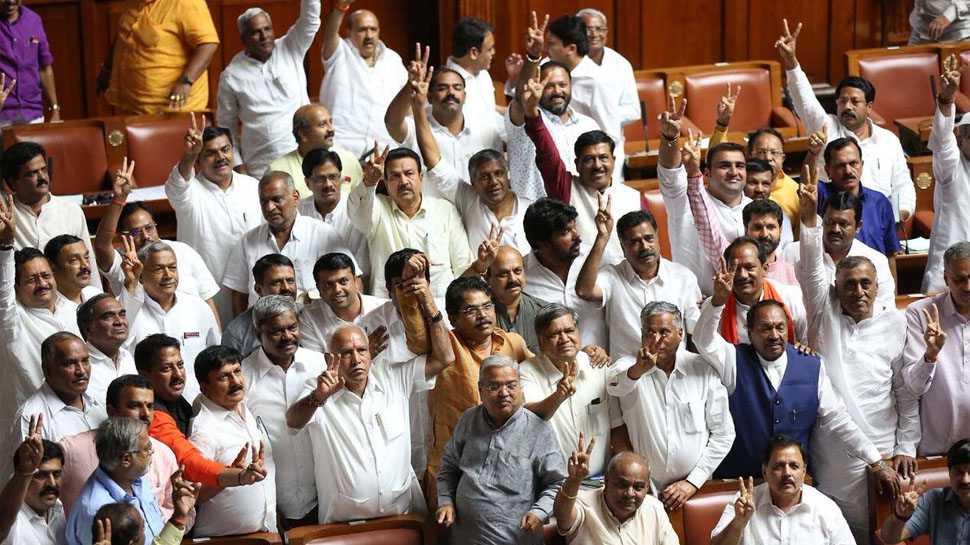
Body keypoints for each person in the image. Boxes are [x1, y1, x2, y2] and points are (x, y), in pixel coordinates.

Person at [797, 168, 917, 541]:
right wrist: (808, 220)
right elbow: (812, 271)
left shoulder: (894, 324)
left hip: (884, 449)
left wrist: (905, 445)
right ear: (836, 286)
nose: (859, 291)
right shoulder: (823, 309)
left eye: (866, 284)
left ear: (879, 285)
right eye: (850, 284)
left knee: (887, 535)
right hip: (834, 454)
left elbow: (906, 394)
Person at [694, 272, 894, 484]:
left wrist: (876, 461)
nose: (774, 335)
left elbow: (838, 420)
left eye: (779, 327)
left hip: (792, 486)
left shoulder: (811, 365)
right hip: (739, 482)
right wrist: (717, 303)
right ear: (750, 332)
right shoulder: (733, 359)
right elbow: (703, 339)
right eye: (765, 328)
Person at [287, 319, 454, 523]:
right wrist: (318, 398)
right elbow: (293, 422)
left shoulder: (392, 376)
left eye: (362, 350)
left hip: (402, 516)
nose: (356, 359)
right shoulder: (318, 389)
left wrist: (431, 311)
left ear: (371, 352)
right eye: (346, 353)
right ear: (330, 358)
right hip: (343, 525)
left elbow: (445, 357)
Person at [777, 19, 915, 220]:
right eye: (842, 101)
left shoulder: (888, 140)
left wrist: (896, 217)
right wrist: (791, 61)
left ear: (869, 107)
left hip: (877, 221)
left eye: (854, 101)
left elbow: (903, 184)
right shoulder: (826, 125)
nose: (847, 106)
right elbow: (804, 100)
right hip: (834, 221)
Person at [607, 302, 734, 505]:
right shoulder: (626, 366)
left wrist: (693, 482)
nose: (657, 340)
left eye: (664, 332)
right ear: (641, 334)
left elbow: (724, 433)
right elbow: (615, 386)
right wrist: (638, 370)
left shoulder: (702, 370)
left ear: (680, 333)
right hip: (643, 492)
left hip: (694, 490)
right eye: (650, 332)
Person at [436, 354, 567, 544]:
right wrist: (445, 501)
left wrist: (539, 512)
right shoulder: (468, 419)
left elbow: (557, 482)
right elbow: (449, 467)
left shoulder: (539, 429)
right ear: (480, 389)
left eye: (512, 385)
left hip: (516, 539)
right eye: (494, 386)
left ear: (521, 387)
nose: (504, 393)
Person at [425, 275, 533, 505]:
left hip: (507, 467)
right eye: (471, 310)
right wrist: (424, 294)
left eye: (487, 306)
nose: (483, 315)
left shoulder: (512, 342)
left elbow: (544, 369)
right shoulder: (443, 346)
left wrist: (587, 352)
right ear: (453, 318)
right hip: (455, 470)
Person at [409, 62, 532, 254]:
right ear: (472, 183)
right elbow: (433, 160)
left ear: (508, 174)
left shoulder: (529, 208)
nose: (493, 182)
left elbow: (520, 110)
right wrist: (418, 110)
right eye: (484, 177)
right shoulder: (469, 200)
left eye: (499, 173)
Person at [521, 74, 640, 263]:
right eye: (589, 160)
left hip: (625, 282)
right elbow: (547, 154)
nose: (597, 166)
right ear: (577, 164)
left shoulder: (634, 197)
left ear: (614, 160)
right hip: (577, 282)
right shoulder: (565, 188)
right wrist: (531, 113)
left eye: (603, 158)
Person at [0, 194, 82, 456]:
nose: (43, 284)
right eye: (32, 279)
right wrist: (5, 246)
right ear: (16, 286)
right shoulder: (12, 320)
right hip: (33, 426)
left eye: (46, 275)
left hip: (81, 416)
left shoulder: (76, 309)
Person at [134, 335, 264, 492]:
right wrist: (237, 475)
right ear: (145, 375)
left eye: (180, 365)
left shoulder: (184, 402)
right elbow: (188, 462)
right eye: (166, 369)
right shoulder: (153, 415)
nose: (177, 375)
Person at [241, 295, 328, 527]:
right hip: (276, 503)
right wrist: (267, 504)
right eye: (277, 331)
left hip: (327, 496)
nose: (288, 336)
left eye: (293, 327)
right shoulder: (243, 378)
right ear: (259, 335)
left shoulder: (320, 365)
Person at [165, 116, 262, 322]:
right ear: (198, 160)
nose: (220, 157)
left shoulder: (253, 187)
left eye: (225, 150)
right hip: (209, 295)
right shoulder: (190, 193)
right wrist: (189, 155)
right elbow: (177, 185)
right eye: (210, 153)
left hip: (252, 289)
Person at [346, 146, 474, 297]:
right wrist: (370, 181)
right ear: (385, 183)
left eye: (409, 174)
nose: (403, 181)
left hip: (440, 305)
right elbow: (356, 208)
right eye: (395, 176)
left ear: (421, 177)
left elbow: (462, 264)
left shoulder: (445, 210)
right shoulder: (376, 208)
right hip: (390, 308)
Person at [94, 162, 219, 316]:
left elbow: (208, 303)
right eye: (135, 232)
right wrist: (119, 200)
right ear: (122, 236)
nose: (146, 236)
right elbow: (101, 246)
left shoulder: (184, 251)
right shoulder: (123, 262)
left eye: (149, 228)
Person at [576, 206, 701, 359]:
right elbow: (584, 291)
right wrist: (602, 238)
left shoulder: (683, 277)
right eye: (635, 242)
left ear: (657, 237)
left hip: (675, 373)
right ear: (623, 247)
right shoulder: (612, 275)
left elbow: (696, 334)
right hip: (627, 375)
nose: (644, 247)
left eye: (649, 238)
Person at [217, 0, 321, 177]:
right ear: (244, 39)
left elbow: (311, 19)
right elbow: (226, 125)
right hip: (261, 164)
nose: (264, 35)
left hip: (305, 156)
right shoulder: (231, 76)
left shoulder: (290, 47)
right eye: (256, 32)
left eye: (267, 29)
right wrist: (238, 164)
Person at [656, 98, 750, 294]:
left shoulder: (756, 209)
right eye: (724, 165)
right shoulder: (685, 202)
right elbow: (670, 175)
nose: (734, 171)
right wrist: (670, 138)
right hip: (695, 307)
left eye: (740, 166)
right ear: (706, 174)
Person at [57, 375, 179, 521]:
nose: (145, 414)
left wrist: (153, 521)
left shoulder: (163, 453)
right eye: (135, 406)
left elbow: (180, 510)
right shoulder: (72, 450)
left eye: (150, 406)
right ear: (112, 411)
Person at [519, 304, 622, 476]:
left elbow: (616, 425)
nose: (564, 339)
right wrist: (559, 395)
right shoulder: (527, 371)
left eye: (569, 331)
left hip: (599, 480)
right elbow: (529, 418)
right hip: (553, 485)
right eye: (554, 334)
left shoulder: (597, 365)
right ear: (540, 341)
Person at [222, 171, 347, 312]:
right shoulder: (248, 241)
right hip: (261, 329)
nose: (269, 208)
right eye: (264, 202)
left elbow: (351, 282)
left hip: (313, 329)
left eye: (277, 199)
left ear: (295, 197)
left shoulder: (324, 235)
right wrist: (244, 331)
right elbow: (239, 295)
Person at [682, 130, 797, 283]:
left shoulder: (789, 275)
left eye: (771, 227)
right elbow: (710, 232)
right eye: (757, 228)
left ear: (780, 230)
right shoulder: (737, 273)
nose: (764, 235)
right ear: (746, 229)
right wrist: (694, 175)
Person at [507, 16, 600, 201]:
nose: (557, 91)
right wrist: (533, 55)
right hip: (532, 216)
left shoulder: (588, 125)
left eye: (563, 85)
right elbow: (520, 97)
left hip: (574, 217)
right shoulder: (525, 118)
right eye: (549, 85)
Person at [188, 346, 275, 536]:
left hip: (264, 532)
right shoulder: (203, 431)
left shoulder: (242, 405)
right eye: (223, 377)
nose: (235, 382)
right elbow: (192, 494)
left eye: (237, 371)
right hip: (223, 539)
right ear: (204, 387)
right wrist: (233, 478)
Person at [387, 52, 503, 192]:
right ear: (429, 97)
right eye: (442, 88)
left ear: (465, 96)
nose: (451, 93)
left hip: (476, 208)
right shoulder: (416, 126)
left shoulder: (485, 127)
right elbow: (392, 122)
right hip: (432, 211)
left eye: (457, 88)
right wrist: (411, 85)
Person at [120, 241, 220, 402]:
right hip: (148, 407)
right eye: (158, 269)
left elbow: (216, 359)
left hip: (198, 403)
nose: (168, 275)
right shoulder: (126, 307)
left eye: (172, 267)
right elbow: (116, 346)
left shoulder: (198, 307)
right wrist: (131, 285)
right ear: (141, 275)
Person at [710, 435, 855, 545]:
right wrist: (739, 522)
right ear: (765, 471)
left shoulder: (826, 508)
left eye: (794, 466)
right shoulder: (743, 503)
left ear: (804, 472)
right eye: (779, 466)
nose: (787, 473)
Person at [1, 143, 100, 289]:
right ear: (14, 182)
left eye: (43, 170)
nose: (42, 177)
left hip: (66, 297)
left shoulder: (71, 211)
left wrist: (96, 298)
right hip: (22, 300)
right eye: (32, 173)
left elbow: (87, 259)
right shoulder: (5, 213)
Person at [903, 242, 970, 455]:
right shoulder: (920, 314)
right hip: (937, 448)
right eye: (960, 279)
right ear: (946, 279)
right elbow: (913, 387)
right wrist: (930, 355)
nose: (968, 287)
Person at [778, 188, 896, 308]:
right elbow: (779, 298)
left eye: (844, 224)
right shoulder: (793, 253)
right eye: (830, 222)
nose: (835, 229)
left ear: (858, 226)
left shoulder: (876, 261)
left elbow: (885, 309)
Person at [97, 0, 217, 114]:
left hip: (172, 109)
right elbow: (124, 36)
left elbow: (207, 44)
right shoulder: (133, 2)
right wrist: (107, 70)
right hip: (132, 105)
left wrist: (186, 81)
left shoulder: (186, 3)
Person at [319, 0, 406, 156]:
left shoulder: (393, 60)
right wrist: (340, 8)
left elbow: (407, 105)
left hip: (386, 146)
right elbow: (330, 33)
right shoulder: (338, 53)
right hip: (343, 147)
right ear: (349, 32)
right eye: (362, 30)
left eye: (373, 29)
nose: (369, 36)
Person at [64, 417, 165, 545]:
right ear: (126, 460)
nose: (152, 451)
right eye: (148, 448)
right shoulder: (96, 510)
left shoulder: (135, 477)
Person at [522, 198, 608, 348]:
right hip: (551, 369)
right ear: (542, 243)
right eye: (566, 232)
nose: (577, 235)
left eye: (574, 227)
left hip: (604, 366)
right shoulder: (520, 275)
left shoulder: (601, 258)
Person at [554, 446, 678, 545]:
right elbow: (563, 516)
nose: (629, 494)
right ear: (606, 481)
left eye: (638, 487)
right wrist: (574, 480)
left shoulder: (654, 508)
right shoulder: (584, 502)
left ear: (647, 487)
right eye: (622, 484)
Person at [12, 332, 107, 445]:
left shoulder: (100, 399)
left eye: (85, 361)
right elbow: (27, 462)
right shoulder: (31, 418)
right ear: (47, 369)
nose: (81, 371)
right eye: (70, 363)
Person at [812, 137, 901, 257]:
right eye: (840, 165)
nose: (848, 171)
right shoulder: (821, 195)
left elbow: (890, 254)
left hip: (875, 273)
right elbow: (807, 183)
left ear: (862, 165)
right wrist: (812, 153)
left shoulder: (880, 202)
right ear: (828, 171)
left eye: (853, 163)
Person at [924, 65, 970, 292]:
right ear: (961, 141)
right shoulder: (951, 166)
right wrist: (946, 98)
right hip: (950, 273)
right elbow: (943, 139)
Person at [712, 237, 806, 344]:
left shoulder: (790, 296)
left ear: (764, 269)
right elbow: (705, 345)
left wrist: (805, 350)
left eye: (750, 267)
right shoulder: (717, 305)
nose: (742, 275)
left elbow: (808, 339)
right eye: (736, 268)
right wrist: (716, 304)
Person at [880, 438, 970, 544]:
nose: (965, 480)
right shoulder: (932, 500)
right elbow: (889, 537)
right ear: (949, 474)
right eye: (959, 472)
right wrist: (900, 516)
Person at [295, 148, 370, 275]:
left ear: (341, 177)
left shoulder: (357, 209)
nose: (328, 184)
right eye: (320, 179)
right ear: (308, 183)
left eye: (333, 177)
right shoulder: (298, 213)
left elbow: (362, 264)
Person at [267, 104, 362, 197]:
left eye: (330, 122)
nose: (331, 129)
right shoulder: (279, 170)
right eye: (322, 124)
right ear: (303, 134)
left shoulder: (349, 160)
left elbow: (362, 201)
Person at [298, 252, 384, 353]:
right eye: (328, 284)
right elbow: (317, 365)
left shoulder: (383, 309)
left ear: (355, 280)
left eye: (343, 281)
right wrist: (364, 354)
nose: (337, 289)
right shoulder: (309, 317)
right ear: (318, 289)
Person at [0, 415, 66, 545]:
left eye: (56, 474)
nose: (52, 483)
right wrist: (25, 471)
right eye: (41, 475)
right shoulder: (13, 521)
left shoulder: (59, 508)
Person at [575, 8, 639, 140]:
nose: (594, 34)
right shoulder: (567, 59)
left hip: (611, 141)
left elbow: (633, 110)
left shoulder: (621, 64)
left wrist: (601, 114)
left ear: (607, 32)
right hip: (574, 135)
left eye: (600, 29)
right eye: (588, 29)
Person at [222, 254, 299, 358]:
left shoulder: (307, 315)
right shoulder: (237, 333)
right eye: (276, 282)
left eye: (290, 281)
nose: (286, 287)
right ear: (258, 289)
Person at [0, 0, 60, 125]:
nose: (10, 0)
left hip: (33, 113)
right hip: (2, 115)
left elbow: (44, 68)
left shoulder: (34, 20)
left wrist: (55, 109)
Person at [445, 17, 504, 130]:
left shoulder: (483, 73)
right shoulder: (447, 85)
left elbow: (490, 114)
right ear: (474, 53)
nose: (493, 53)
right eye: (490, 49)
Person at [77, 294, 137, 403]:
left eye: (122, 314)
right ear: (87, 329)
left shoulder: (126, 357)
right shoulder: (79, 367)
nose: (119, 321)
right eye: (108, 317)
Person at [488, 246, 548, 354]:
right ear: (487, 278)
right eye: (504, 274)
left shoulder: (545, 312)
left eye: (517, 271)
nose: (513, 279)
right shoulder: (481, 316)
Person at [43, 235, 100, 304]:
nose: (85, 265)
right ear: (52, 268)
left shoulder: (95, 295)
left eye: (86, 257)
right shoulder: (49, 307)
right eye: (74, 260)